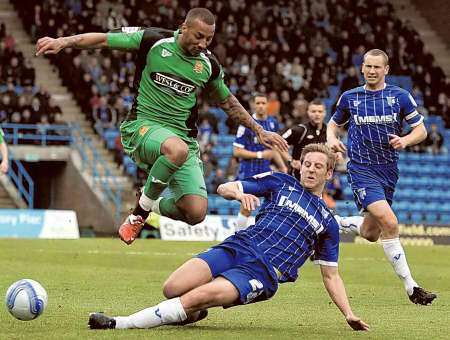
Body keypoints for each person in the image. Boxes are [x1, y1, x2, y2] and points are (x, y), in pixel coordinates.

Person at [35, 8, 287, 244]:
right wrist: (63, 41)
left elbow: (228, 102)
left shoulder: (208, 65)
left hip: (183, 139)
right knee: (175, 150)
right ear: (183, 27)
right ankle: (139, 214)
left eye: (208, 40)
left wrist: (259, 130)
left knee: (195, 211)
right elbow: (103, 39)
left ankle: (150, 204)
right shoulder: (152, 40)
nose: (202, 44)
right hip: (143, 126)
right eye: (199, 36)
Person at [88, 144, 369, 332]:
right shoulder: (280, 182)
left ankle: (119, 323)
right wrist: (238, 195)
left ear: (329, 173)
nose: (309, 169)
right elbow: (224, 187)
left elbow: (331, 276)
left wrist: (348, 313)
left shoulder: (328, 223)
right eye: (306, 164)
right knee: (173, 288)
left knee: (200, 294)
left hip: (263, 271)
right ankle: (195, 312)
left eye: (317, 166)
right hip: (238, 246)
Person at [327, 49, 436, 305]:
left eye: (377, 67)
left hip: (388, 171)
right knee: (390, 222)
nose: (372, 71)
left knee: (371, 233)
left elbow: (420, 130)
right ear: (362, 68)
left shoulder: (400, 97)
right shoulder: (350, 98)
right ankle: (412, 287)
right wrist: (332, 139)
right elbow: (333, 124)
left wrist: (405, 140)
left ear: (386, 69)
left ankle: (340, 222)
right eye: (368, 66)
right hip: (361, 169)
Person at [233, 92, 287, 230]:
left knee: (271, 206)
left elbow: (274, 149)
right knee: (247, 206)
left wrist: (283, 167)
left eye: (263, 103)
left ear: (268, 104)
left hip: (266, 171)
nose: (261, 106)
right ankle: (237, 236)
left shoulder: (273, 123)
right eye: (258, 103)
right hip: (249, 171)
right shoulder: (246, 124)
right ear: (253, 105)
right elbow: (237, 151)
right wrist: (259, 154)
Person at [281, 99, 328, 180]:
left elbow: (334, 151)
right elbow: (277, 144)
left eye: (320, 111)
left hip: (319, 178)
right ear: (308, 112)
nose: (317, 114)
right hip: (298, 177)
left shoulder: (329, 131)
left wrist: (337, 155)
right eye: (313, 111)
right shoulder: (299, 130)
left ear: (325, 113)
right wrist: (290, 161)